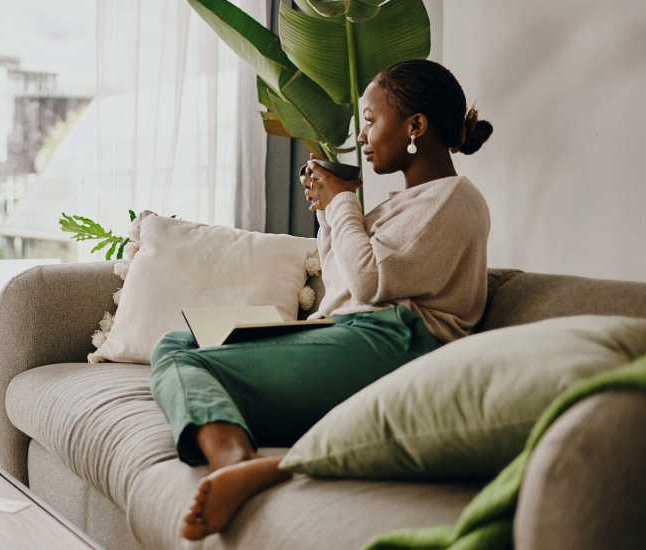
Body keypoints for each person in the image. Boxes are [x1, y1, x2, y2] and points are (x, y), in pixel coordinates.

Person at [147, 59, 494, 541]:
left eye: (371, 120)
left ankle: (234, 462)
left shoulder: (455, 199)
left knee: (195, 365)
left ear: (415, 126)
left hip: (400, 344)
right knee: (174, 344)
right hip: (354, 334)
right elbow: (344, 287)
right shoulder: (403, 203)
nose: (365, 135)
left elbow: (372, 284)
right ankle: (234, 448)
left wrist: (343, 204)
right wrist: (330, 216)